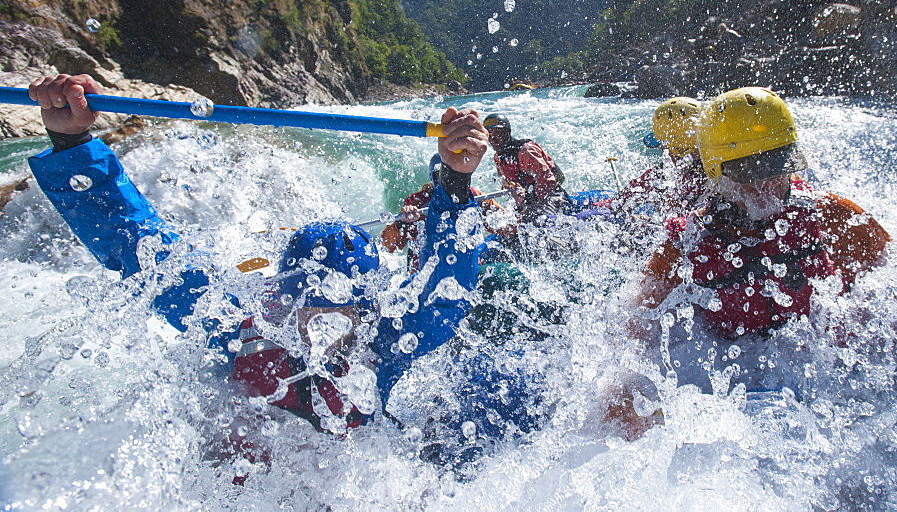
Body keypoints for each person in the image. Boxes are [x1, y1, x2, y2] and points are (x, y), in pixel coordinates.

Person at [27, 74, 548, 462]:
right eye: (308, 304)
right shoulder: (232, 331)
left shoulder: (389, 339)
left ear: (367, 308)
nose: (320, 325)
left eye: (339, 309)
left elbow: (447, 281)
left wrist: (456, 183)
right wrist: (71, 144)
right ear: (278, 299)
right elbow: (135, 247)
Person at [600, 87, 891, 440]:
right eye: (751, 171)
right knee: (619, 405)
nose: (768, 183)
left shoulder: (831, 216)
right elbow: (634, 331)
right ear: (716, 172)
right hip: (734, 387)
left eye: (778, 165)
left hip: (822, 376)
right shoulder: (686, 242)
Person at [381, 153, 510, 273]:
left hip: (465, 260)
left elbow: (509, 227)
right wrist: (401, 223)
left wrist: (519, 203)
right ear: (434, 178)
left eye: (456, 175)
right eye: (444, 176)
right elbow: (387, 246)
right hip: (427, 267)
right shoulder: (420, 203)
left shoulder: (474, 196)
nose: (451, 181)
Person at [612, 97, 707, 224]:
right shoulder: (665, 173)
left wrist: (648, 222)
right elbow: (623, 197)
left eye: (664, 144)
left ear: (680, 145)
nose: (663, 150)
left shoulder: (707, 179)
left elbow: (687, 224)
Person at [483, 113, 568, 223]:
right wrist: (519, 202)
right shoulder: (498, 158)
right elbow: (508, 184)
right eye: (489, 136)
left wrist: (528, 198)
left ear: (507, 133)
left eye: (498, 134)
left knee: (539, 222)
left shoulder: (525, 151)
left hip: (552, 196)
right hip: (528, 199)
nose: (493, 140)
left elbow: (549, 182)